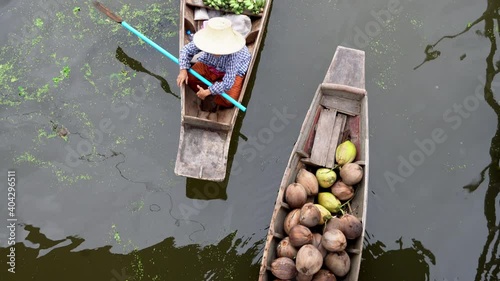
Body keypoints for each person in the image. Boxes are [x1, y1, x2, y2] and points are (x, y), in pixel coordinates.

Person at [176, 17, 251, 112]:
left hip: (232, 72)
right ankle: (206, 91)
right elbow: (186, 50)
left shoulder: (234, 52)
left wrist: (208, 91)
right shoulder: (205, 39)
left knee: (228, 101)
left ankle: (213, 95)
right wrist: (183, 70)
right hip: (210, 64)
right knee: (190, 78)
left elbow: (228, 83)